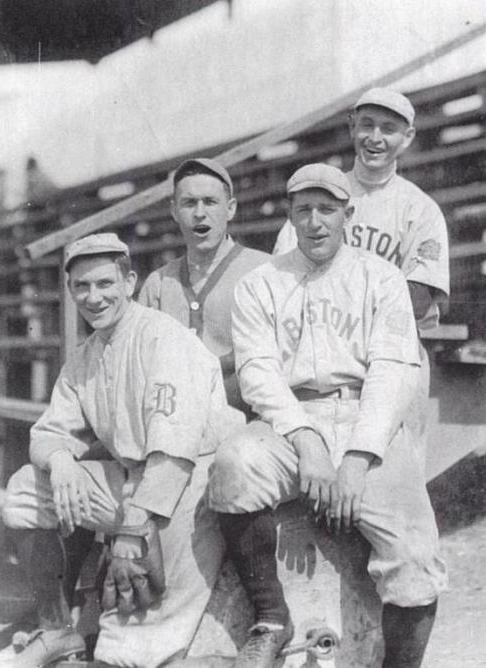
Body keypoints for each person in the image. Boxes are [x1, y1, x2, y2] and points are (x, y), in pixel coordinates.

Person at [209, 164, 448, 668]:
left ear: (348, 214)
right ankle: (272, 616)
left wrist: (358, 459)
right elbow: (257, 372)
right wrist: (306, 440)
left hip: (368, 415)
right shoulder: (261, 283)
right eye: (304, 210)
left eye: (328, 209)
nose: (316, 221)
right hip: (291, 418)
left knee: (416, 556)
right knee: (234, 464)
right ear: (290, 217)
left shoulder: (379, 277)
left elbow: (391, 372)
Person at [0, 233, 243, 668]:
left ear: (129, 281)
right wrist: (61, 463)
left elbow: (174, 450)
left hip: (190, 486)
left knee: (137, 642)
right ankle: (56, 630)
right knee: (25, 489)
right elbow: (47, 431)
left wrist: (132, 528)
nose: (94, 297)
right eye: (82, 287)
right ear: (70, 291)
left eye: (105, 283)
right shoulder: (86, 355)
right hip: (130, 479)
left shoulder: (162, 338)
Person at [273, 89, 450, 467]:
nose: (375, 138)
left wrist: (334, 295)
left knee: (392, 476)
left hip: (394, 358)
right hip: (319, 360)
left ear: (409, 137)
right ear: (351, 126)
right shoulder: (318, 195)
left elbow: (417, 297)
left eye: (388, 129)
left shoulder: (420, 208)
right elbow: (284, 278)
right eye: (366, 124)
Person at [138, 157, 269, 413]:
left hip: (244, 417)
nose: (199, 213)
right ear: (174, 211)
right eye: (189, 203)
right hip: (172, 416)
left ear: (230, 208)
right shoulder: (158, 283)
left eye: (210, 202)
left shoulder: (264, 271)